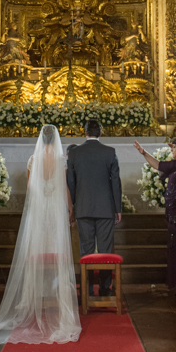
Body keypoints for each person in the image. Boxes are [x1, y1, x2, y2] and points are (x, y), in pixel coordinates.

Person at [0, 124, 80, 344]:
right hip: (55, 207)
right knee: (55, 245)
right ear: (55, 140)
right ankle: (57, 293)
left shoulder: (33, 159)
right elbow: (64, 187)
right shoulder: (61, 161)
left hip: (40, 207)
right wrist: (70, 207)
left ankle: (34, 293)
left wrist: (40, 198)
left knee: (37, 246)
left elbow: (31, 187)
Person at [135, 136, 176, 301]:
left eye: (174, 148)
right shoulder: (175, 164)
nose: (172, 150)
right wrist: (144, 153)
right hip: (175, 217)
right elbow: (158, 165)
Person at [67, 119, 122, 297]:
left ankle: (87, 289)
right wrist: (118, 208)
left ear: (85, 133)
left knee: (86, 250)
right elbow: (116, 182)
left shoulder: (75, 152)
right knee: (105, 250)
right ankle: (105, 288)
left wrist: (74, 205)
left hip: (83, 207)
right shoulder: (109, 152)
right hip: (106, 208)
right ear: (101, 133)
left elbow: (71, 182)